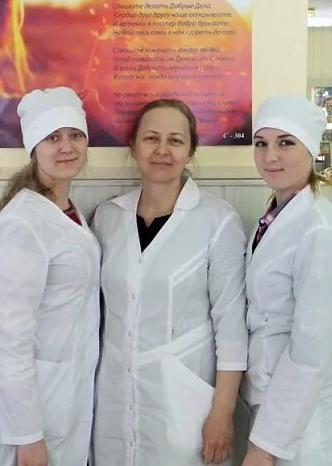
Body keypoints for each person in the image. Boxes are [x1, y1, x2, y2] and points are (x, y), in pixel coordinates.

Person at [91, 99, 247, 466]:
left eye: (175, 140)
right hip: (113, 395)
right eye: (151, 138)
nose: (162, 150)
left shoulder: (217, 220)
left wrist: (222, 412)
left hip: (185, 398)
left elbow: (231, 326)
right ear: (133, 147)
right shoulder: (107, 218)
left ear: (190, 152)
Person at [0, 87, 100, 466]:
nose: (66, 147)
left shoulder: (65, 210)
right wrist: (27, 434)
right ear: (34, 147)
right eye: (53, 137)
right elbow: (10, 336)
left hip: (62, 394)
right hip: (28, 411)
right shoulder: (24, 221)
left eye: (75, 135)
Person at [242, 95, 332, 466]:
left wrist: (263, 448)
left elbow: (311, 350)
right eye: (261, 143)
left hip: (310, 415)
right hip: (277, 398)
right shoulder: (277, 215)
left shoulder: (319, 232)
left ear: (311, 150)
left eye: (286, 143)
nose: (270, 156)